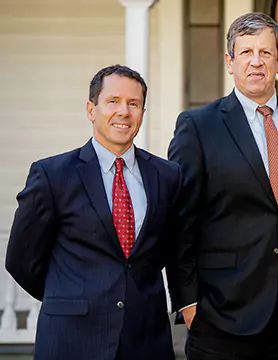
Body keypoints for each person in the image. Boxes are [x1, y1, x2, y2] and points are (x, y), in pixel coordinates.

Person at [166, 12, 278, 360]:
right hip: (220, 315)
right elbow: (180, 218)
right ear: (230, 62)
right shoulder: (198, 126)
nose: (256, 63)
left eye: (266, 53)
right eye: (246, 53)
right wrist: (188, 302)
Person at [5, 64, 181, 360]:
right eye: (113, 102)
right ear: (91, 109)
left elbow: (168, 251)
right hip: (71, 340)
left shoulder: (167, 175)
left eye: (133, 104)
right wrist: (69, 297)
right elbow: (21, 259)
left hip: (145, 341)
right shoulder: (52, 175)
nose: (124, 112)